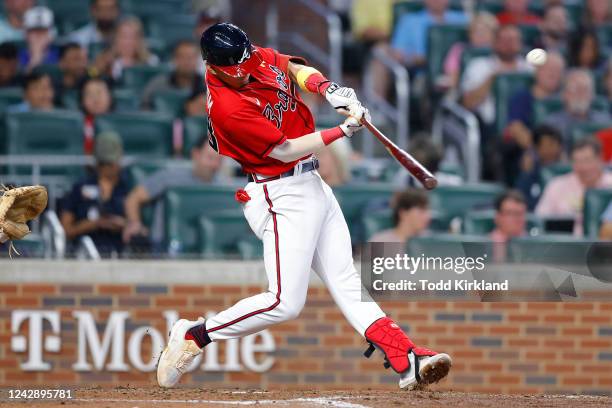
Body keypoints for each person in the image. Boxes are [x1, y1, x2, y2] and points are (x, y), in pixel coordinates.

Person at [156, 22, 452, 391]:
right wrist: (342, 131)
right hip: (279, 194)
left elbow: (292, 67)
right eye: (237, 65)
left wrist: (328, 89)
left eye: (247, 58)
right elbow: (283, 149)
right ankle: (195, 335)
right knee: (284, 302)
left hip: (312, 184)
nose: (248, 67)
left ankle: (406, 357)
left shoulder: (249, 56)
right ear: (216, 66)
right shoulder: (227, 109)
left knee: (347, 283)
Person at [122, 136, 227, 247]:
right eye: (210, 158)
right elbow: (133, 198)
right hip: (163, 247)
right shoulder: (169, 177)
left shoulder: (223, 188)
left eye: (219, 160)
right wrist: (134, 223)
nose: (214, 165)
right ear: (195, 154)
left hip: (206, 249)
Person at [60, 131, 131, 257]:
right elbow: (65, 230)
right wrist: (94, 224)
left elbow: (138, 227)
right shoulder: (80, 188)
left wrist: (122, 225)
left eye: (111, 163)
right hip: (83, 254)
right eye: (103, 164)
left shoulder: (126, 189)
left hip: (118, 256)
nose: (108, 169)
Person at [536, 137, 612, 236]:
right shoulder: (557, 185)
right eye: (577, 161)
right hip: (565, 245)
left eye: (587, 160)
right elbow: (540, 220)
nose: (583, 167)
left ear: (600, 159)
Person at [461, 25, 531, 131]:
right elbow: (467, 103)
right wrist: (493, 79)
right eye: (504, 40)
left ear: (520, 43)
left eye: (513, 40)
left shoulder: (529, 69)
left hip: (524, 123)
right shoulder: (479, 66)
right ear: (494, 43)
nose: (509, 44)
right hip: (486, 126)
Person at [544, 69, 611, 149]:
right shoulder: (551, 124)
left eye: (585, 89)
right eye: (575, 89)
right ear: (564, 94)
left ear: (592, 96)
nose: (580, 94)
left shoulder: (605, 121)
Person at [390, 0, 467, 70]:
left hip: (457, 71)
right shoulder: (410, 21)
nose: (437, 1)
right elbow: (398, 53)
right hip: (421, 72)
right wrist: (416, 59)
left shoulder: (462, 20)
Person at [141, 41, 204, 109]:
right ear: (174, 59)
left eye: (192, 57)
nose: (187, 61)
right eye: (182, 56)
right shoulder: (158, 85)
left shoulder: (209, 86)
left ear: (198, 60)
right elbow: (144, 108)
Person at [442, 12, 498, 90]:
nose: (481, 35)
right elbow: (452, 76)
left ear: (494, 35)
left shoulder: (500, 52)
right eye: (477, 31)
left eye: (485, 31)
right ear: (470, 34)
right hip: (463, 90)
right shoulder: (458, 49)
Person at [515, 125, 565, 210]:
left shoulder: (567, 170)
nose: (554, 149)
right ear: (537, 147)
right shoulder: (529, 170)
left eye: (557, 144)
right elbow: (521, 199)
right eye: (549, 145)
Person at [93, 17, 158, 81]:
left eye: (132, 37)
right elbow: (91, 75)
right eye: (123, 37)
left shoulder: (151, 62)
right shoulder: (105, 61)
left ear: (139, 40)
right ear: (115, 38)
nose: (128, 42)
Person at [18, 6, 59, 72]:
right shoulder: (18, 56)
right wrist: (36, 57)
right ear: (26, 34)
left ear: (51, 34)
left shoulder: (60, 55)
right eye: (34, 31)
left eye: (43, 31)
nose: (39, 35)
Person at [79, 76, 113, 154]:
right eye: (90, 94)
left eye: (99, 92)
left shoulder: (120, 123)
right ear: (82, 100)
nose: (96, 99)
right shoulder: (77, 125)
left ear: (110, 97)